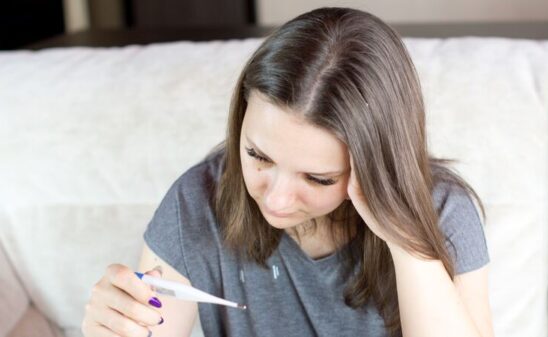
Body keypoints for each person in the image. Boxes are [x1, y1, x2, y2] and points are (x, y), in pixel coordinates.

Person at [82, 6, 494, 337]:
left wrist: (405, 240)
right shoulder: (196, 204)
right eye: (258, 155)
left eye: (317, 178)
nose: (275, 199)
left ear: (375, 166)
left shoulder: (444, 212)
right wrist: (115, 327)